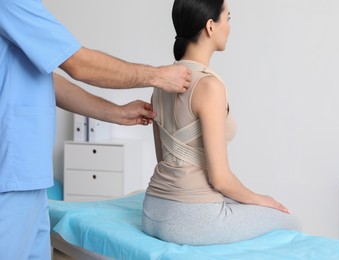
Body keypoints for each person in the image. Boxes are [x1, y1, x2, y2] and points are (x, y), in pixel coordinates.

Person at [0, 0, 191, 259]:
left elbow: (46, 79)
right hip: (11, 173)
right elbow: (79, 64)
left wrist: (115, 112)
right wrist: (156, 75)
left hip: (28, 173)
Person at [142, 0, 301, 246]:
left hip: (152, 211)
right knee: (291, 221)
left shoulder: (160, 84)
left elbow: (163, 159)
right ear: (210, 26)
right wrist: (261, 199)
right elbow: (220, 179)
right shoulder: (209, 86)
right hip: (191, 219)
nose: (229, 26)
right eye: (228, 18)